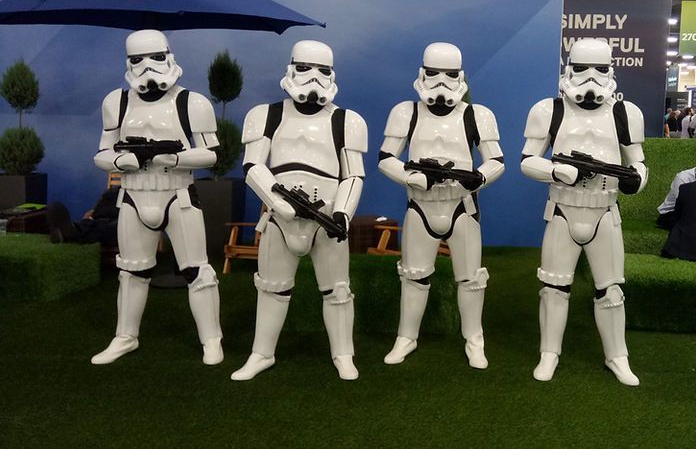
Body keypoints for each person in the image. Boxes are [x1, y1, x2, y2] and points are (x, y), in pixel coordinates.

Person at [231, 41, 367, 381]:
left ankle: (343, 354)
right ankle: (262, 353)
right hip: (280, 218)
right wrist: (280, 203)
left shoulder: (347, 121)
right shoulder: (266, 115)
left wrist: (343, 213)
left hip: (327, 216)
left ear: (332, 74)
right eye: (304, 68)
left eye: (323, 70)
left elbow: (354, 174)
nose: (313, 78)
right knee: (271, 288)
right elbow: (252, 166)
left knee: (337, 290)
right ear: (291, 68)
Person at [91, 30, 223, 366]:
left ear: (169, 57)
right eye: (138, 60)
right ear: (128, 62)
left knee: (197, 271)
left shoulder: (192, 103)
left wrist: (175, 159)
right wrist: (123, 161)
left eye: (156, 57)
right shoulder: (117, 102)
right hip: (133, 196)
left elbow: (211, 154)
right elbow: (102, 153)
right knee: (132, 271)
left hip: (177, 194)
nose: (148, 67)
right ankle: (125, 336)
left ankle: (211, 339)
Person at [521, 38, 646, 385]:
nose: (591, 78)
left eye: (599, 69)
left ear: (610, 71)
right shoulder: (549, 110)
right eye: (581, 69)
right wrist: (557, 171)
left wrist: (637, 179)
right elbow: (527, 161)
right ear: (568, 69)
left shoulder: (625, 113)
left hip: (605, 211)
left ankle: (617, 356)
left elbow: (637, 162)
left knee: (611, 291)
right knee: (553, 288)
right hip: (563, 209)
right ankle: (549, 353)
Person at [378, 42, 505, 369]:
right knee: (413, 276)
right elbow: (386, 158)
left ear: (460, 76)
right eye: (433, 73)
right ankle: (406, 337)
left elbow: (496, 161)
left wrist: (478, 178)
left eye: (449, 74)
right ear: (422, 73)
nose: (441, 82)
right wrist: (412, 177)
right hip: (420, 205)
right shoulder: (406, 113)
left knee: (471, 278)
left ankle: (474, 339)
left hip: (462, 206)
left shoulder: (477, 115)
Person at [45, 187, 119, 246]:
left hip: (119, 223)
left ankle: (74, 235)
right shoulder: (113, 192)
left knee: (113, 227)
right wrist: (92, 213)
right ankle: (76, 229)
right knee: (56, 207)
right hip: (100, 219)